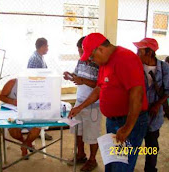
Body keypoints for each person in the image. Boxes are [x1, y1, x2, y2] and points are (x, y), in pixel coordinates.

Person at [68, 33, 149, 172]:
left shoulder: (126, 58)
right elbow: (99, 88)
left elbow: (137, 95)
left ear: (100, 49)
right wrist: (80, 107)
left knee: (121, 166)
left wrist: (127, 127)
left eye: (92, 57)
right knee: (111, 164)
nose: (92, 60)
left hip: (128, 122)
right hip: (113, 122)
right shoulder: (105, 62)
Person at [63, 36, 101, 172]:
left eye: (82, 52)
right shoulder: (81, 61)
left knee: (92, 134)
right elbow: (78, 75)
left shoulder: (98, 62)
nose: (80, 55)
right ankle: (81, 154)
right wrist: (70, 75)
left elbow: (99, 85)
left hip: (93, 104)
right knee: (77, 131)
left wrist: (82, 81)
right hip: (79, 101)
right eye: (79, 52)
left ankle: (92, 160)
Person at [133, 38, 169, 172]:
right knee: (132, 144)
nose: (137, 53)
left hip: (154, 115)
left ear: (149, 52)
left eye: (139, 51)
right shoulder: (136, 65)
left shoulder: (164, 68)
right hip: (137, 113)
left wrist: (157, 105)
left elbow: (168, 90)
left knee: (152, 145)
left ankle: (150, 169)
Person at [0, 79, 41, 158]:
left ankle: (25, 145)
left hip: (31, 113)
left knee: (36, 129)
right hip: (13, 113)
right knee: (14, 131)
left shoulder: (40, 84)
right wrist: (12, 101)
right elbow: (1, 97)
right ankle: (27, 144)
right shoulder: (12, 82)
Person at [27, 37, 53, 141]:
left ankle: (40, 131)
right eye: (47, 46)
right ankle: (34, 132)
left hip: (41, 90)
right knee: (36, 113)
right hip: (36, 91)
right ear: (42, 47)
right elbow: (32, 76)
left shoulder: (40, 57)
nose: (47, 48)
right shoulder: (35, 58)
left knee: (41, 113)